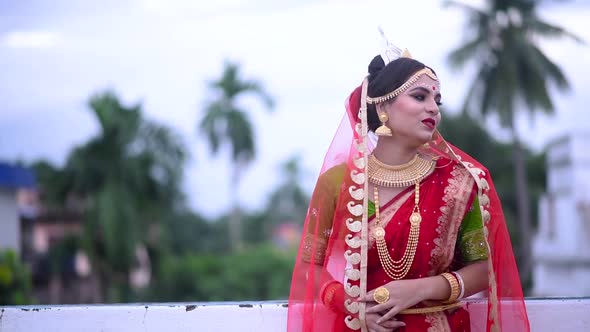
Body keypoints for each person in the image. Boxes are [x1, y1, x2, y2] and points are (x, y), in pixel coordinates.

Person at [287, 40, 530, 332]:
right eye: (420, 97)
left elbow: (482, 270)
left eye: (437, 101)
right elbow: (307, 268)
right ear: (383, 106)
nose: (434, 109)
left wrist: (422, 288)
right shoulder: (339, 183)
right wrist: (349, 304)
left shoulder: (458, 181)